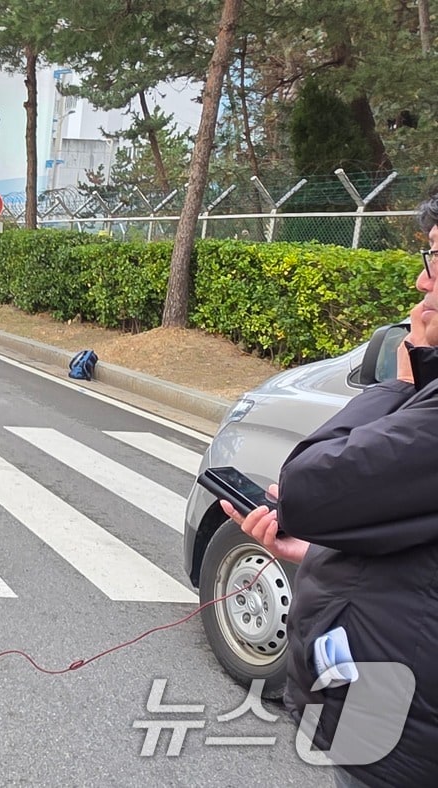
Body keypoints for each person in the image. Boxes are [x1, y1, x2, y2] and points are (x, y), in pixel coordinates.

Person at [223, 189, 438, 788]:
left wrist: (395, 385)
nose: (422, 285)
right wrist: (319, 552)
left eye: (433, 259)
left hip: (403, 733)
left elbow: (308, 490)